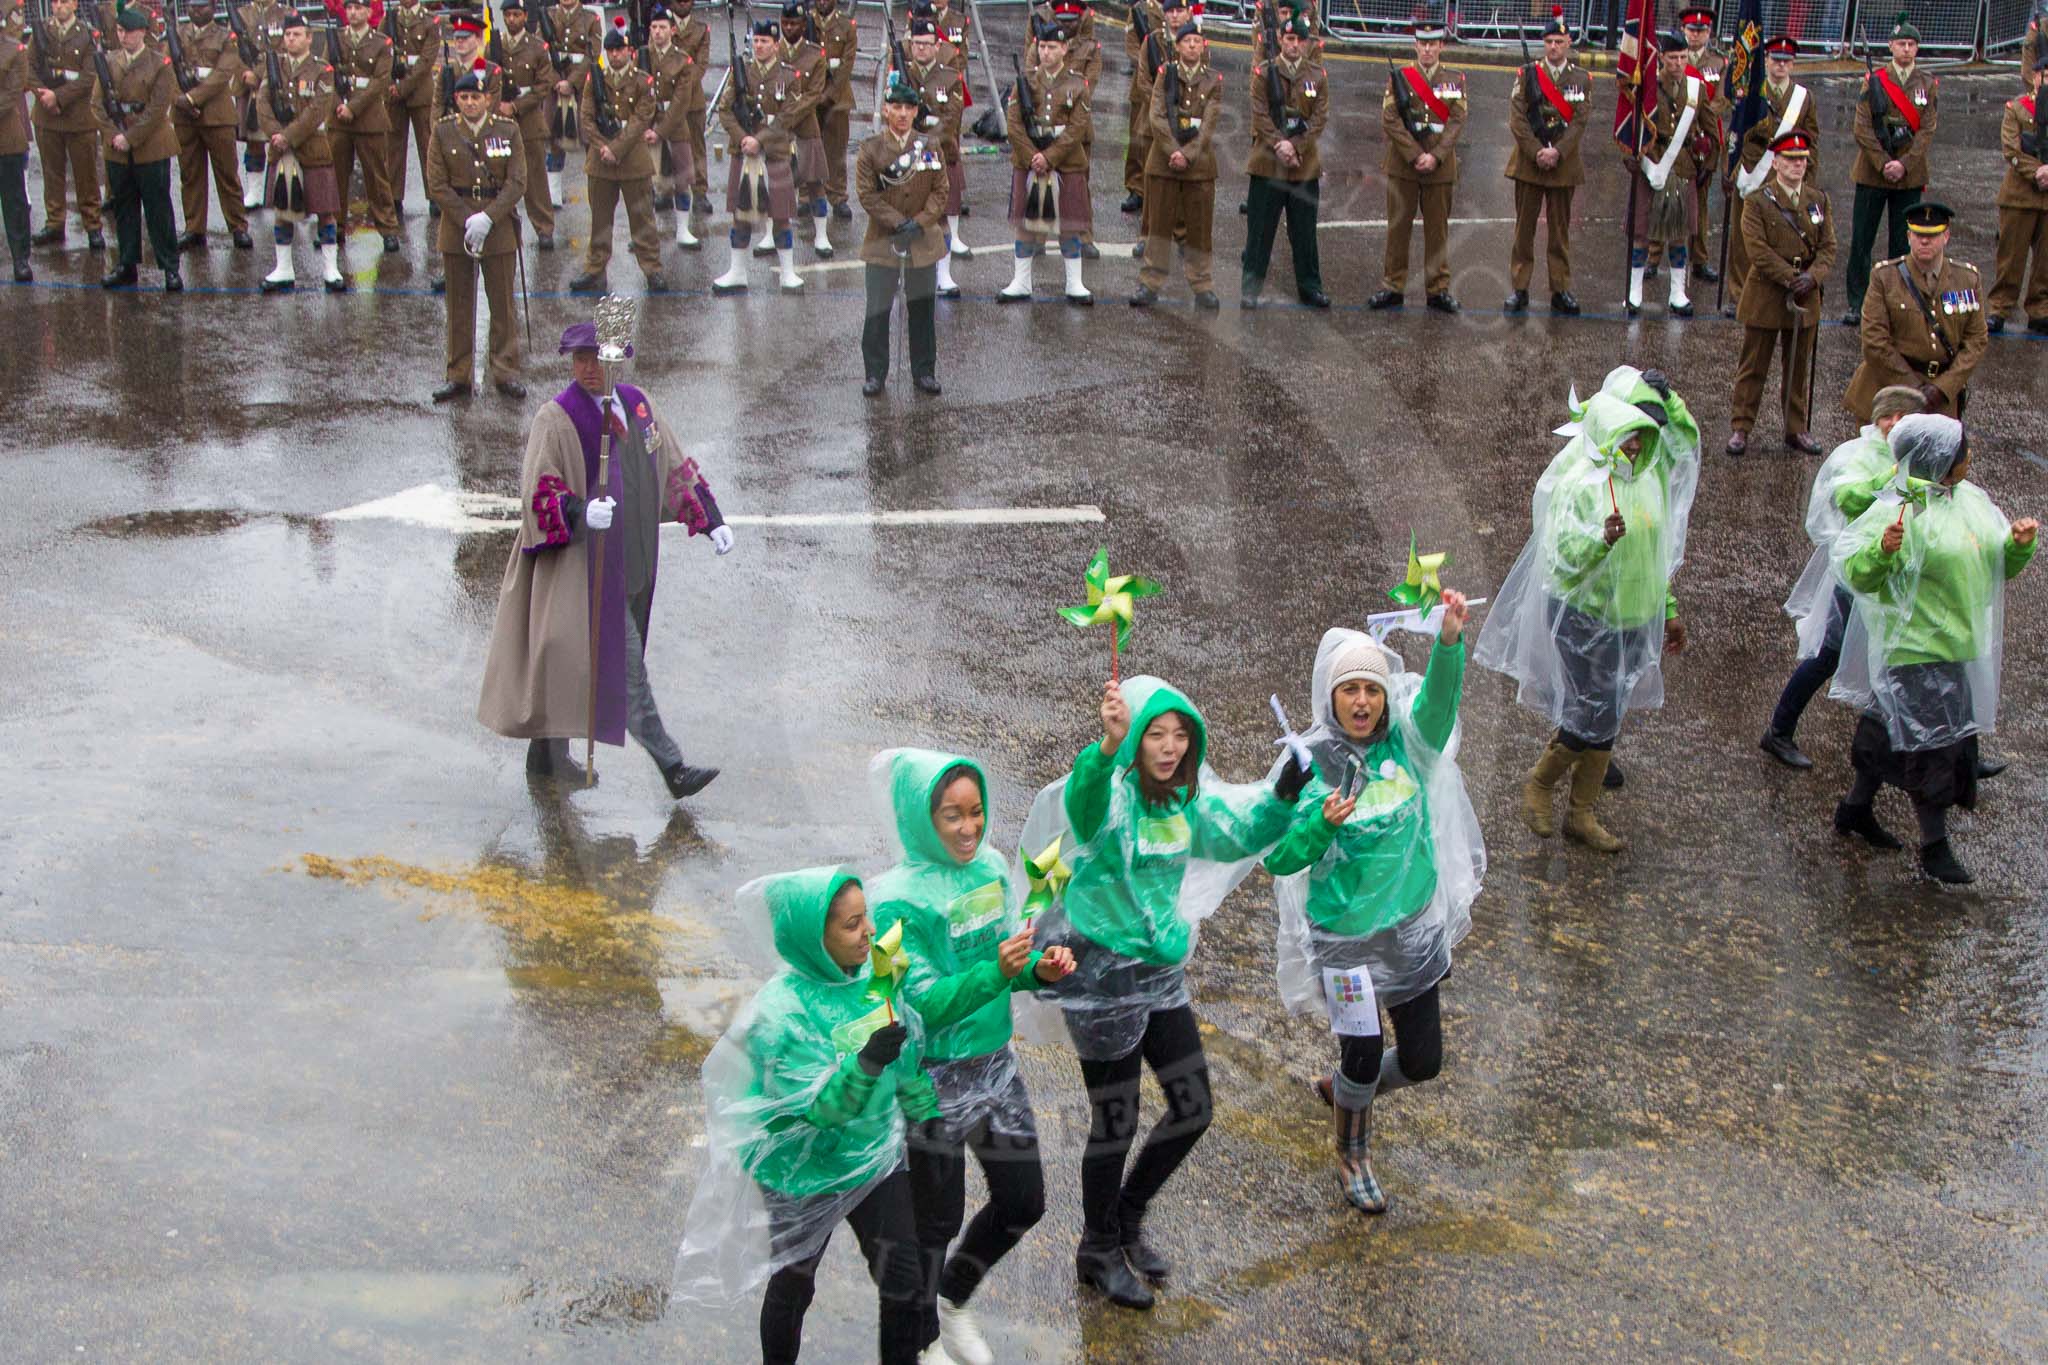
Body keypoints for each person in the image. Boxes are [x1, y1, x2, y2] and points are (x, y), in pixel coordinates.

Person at [1020, 676, 1310, 1309]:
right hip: (1099, 974)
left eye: (1182, 735)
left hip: (1157, 972)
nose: (1171, 746)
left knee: (1192, 1105)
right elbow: (1083, 798)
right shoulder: (1112, 801)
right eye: (1157, 734)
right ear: (1136, 739)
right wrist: (1106, 747)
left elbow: (1237, 831)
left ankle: (1127, 1217)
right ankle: (1096, 1250)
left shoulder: (1185, 801)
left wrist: (1284, 794)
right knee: (1115, 1120)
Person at [671, 867, 1036, 1365]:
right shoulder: (780, 1016)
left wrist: (927, 1117)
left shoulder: (877, 979)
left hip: (872, 1163)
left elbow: (908, 1059)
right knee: (794, 1286)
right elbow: (818, 1109)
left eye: (866, 918)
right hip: (803, 1172)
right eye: (850, 925)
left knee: (906, 1287)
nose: (868, 931)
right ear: (813, 940)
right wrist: (866, 1063)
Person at [1267, 605, 1482, 1215]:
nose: (1361, 701)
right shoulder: (1307, 764)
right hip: (1345, 941)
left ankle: (1346, 1093)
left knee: (1423, 1061)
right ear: (1330, 699)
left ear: (1385, 698)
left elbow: (1439, 706)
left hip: (1410, 930)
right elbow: (1278, 856)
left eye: (1370, 689)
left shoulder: (1409, 744)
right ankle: (1353, 1152)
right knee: (1361, 1049)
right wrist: (1315, 823)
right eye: (1348, 690)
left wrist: (1448, 643)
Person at [864, 750, 1077, 1365]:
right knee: (933, 1228)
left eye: (976, 812)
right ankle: (920, 1343)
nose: (968, 828)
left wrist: (1038, 967)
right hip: (930, 1082)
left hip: (995, 1067)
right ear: (918, 819)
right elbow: (923, 1001)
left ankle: (953, 1301)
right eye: (950, 816)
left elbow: (1009, 955)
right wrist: (997, 971)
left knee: (1023, 1200)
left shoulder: (987, 868)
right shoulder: (896, 900)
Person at [477, 320, 732, 796]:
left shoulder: (639, 407)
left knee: (575, 666)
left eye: (597, 359)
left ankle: (544, 760)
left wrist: (711, 518)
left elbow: (674, 465)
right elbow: (538, 489)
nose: (588, 369)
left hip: (633, 563)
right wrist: (576, 511)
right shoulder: (556, 418)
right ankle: (672, 768)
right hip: (583, 572)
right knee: (624, 668)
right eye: (579, 359)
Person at [1474, 368, 1701, 851]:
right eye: (1628, 436)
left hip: (1635, 617)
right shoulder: (1580, 483)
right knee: (1590, 713)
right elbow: (1560, 558)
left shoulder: (1650, 479)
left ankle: (1581, 814)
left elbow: (1655, 553)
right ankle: (1541, 782)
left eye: (1642, 437)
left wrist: (1669, 608)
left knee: (1609, 713)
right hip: (1584, 617)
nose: (1636, 447)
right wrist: (1600, 540)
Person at [1828, 414, 2038, 883]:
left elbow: (1993, 567)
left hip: (1955, 645)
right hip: (1916, 648)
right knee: (1933, 749)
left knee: (1893, 731)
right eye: (1963, 450)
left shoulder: (1972, 501)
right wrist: (1882, 550)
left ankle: (1855, 808)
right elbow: (1858, 575)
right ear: (1942, 458)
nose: (1969, 457)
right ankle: (1933, 846)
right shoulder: (1900, 507)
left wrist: (2018, 545)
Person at [1760, 385, 1926, 769]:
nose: (1894, 423)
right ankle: (1779, 731)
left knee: (1918, 657)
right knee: (1829, 655)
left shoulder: (1921, 457)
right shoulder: (1856, 455)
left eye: (1904, 417)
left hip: (1901, 573)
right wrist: (1890, 478)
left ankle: (1953, 750)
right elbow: (1846, 500)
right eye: (1888, 415)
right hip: (1858, 572)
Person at [1726, 131, 1834, 456]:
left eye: (1801, 160)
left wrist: (1813, 277)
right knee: (1753, 365)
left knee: (1797, 368)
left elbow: (1828, 248)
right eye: (1790, 159)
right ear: (1776, 163)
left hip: (1805, 295)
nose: (1797, 165)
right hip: (1767, 293)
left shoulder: (1818, 200)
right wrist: (1791, 277)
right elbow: (1757, 250)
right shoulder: (1758, 201)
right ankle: (1741, 428)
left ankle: (1795, 428)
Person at [427, 63, 525, 402]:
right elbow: (437, 184)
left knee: (502, 305)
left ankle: (505, 371)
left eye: (476, 97)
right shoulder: (443, 132)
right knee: (458, 306)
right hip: (457, 229)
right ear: (456, 99)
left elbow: (517, 182)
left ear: (487, 99)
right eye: (464, 97)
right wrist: (468, 219)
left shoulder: (508, 130)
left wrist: (489, 218)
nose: (470, 103)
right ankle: (459, 374)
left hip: (497, 228)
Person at [1842, 201, 1987, 423]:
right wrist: (1915, 390)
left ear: (1946, 236)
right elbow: (1874, 341)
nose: (1924, 240)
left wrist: (1943, 388)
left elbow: (1976, 341)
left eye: (1932, 235)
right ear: (1909, 236)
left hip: (1940, 399)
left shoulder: (1967, 279)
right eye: (1918, 234)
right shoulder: (1885, 277)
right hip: (1889, 391)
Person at [1844, 13, 1937, 326]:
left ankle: (1900, 301)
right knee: (1862, 241)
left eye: (1912, 44)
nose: (1907, 49)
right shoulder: (1874, 81)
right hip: (1873, 172)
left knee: (1903, 243)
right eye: (1901, 43)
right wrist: (1884, 163)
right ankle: (1858, 302)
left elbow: (1926, 131)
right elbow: (1861, 127)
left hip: (1909, 174)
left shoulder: (1927, 84)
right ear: (1891, 46)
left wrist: (1904, 164)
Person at [857, 77, 945, 398]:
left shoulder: (929, 146)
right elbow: (867, 195)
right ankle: (875, 373)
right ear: (886, 109)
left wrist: (918, 223)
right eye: (897, 107)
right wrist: (897, 223)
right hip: (883, 239)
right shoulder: (871, 150)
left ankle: (924, 371)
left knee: (922, 309)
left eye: (909, 108)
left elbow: (940, 190)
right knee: (878, 310)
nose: (903, 114)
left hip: (922, 239)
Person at [712, 17, 813, 295]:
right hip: (744, 152)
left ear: (775, 44)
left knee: (781, 215)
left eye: (764, 42)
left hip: (774, 154)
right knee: (740, 215)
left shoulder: (789, 77)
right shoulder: (740, 71)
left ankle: (788, 273)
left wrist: (760, 140)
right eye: (756, 41)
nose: (759, 46)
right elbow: (724, 109)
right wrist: (742, 137)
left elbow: (788, 116)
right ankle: (737, 272)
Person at [1370, 15, 1462, 313]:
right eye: (1422, 44)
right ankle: (1393, 286)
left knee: (1438, 231)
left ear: (1441, 46)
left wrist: (1434, 155)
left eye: (1432, 44)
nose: (1427, 50)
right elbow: (1390, 119)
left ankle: (1437, 289)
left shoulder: (1455, 79)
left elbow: (1457, 121)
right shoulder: (1400, 78)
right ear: (1415, 45)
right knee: (1398, 229)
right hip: (1403, 165)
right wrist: (1414, 154)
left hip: (1440, 166)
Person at [569, 23, 668, 295]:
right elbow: (586, 117)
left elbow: (640, 119)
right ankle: (594, 268)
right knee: (600, 220)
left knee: (642, 219)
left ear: (630, 51)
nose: (614, 55)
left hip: (632, 159)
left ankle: (652, 268)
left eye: (619, 50)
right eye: (611, 50)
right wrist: (603, 147)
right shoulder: (595, 78)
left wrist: (617, 148)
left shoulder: (642, 81)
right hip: (601, 160)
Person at [1502, 6, 1589, 315]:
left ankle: (1560, 288)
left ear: (1568, 44)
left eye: (1560, 42)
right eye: (1550, 41)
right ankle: (1520, 287)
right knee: (1524, 232)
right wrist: (1537, 151)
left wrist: (1558, 152)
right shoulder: (1527, 74)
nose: (1554, 47)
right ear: (1544, 43)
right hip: (1530, 163)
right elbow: (1517, 118)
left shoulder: (1581, 78)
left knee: (1559, 232)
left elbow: (1579, 122)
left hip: (1563, 165)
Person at [998, 17, 1091, 305]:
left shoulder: (1077, 85)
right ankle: (1021, 281)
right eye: (1042, 47)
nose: (1046, 53)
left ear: (1064, 49)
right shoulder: (1025, 82)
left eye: (1052, 47)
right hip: (1029, 161)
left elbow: (1077, 128)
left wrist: (1049, 157)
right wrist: (1032, 157)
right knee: (1025, 225)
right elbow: (1013, 125)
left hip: (1066, 161)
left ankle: (1074, 282)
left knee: (1070, 224)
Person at [1723, 34, 1817, 313]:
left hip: (1787, 175)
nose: (1781, 66)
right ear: (1766, 60)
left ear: (1793, 65)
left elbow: (1812, 139)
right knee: (1743, 238)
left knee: (1781, 239)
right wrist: (1729, 171)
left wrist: (1809, 181)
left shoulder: (1803, 97)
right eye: (1776, 60)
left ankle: (1775, 291)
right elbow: (1735, 134)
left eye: (1787, 62)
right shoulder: (1751, 91)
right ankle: (1738, 294)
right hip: (1752, 169)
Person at [1241, 12, 1328, 310]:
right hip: (1268, 162)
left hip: (1304, 165)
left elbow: (1318, 119)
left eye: (1299, 40)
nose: (1293, 45)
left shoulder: (1317, 76)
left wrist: (1295, 145)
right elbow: (1259, 113)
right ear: (1279, 39)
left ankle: (1310, 287)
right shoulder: (1264, 73)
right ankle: (1250, 288)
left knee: (1304, 232)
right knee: (1260, 231)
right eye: (1289, 38)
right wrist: (1280, 144)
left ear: (1306, 43)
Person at [1130, 19, 1219, 310]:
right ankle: (1150, 283)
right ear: (1178, 46)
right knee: (1159, 226)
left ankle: (1202, 284)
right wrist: (1173, 151)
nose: (1193, 45)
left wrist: (1188, 154)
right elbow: (1156, 116)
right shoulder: (1164, 74)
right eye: (1187, 41)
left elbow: (1208, 125)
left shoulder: (1214, 81)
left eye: (1197, 41)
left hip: (1199, 165)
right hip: (1164, 161)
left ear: (1203, 46)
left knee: (1199, 230)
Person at [255, 12, 345, 294]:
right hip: (282, 149)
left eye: (297, 34)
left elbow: (319, 108)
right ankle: (284, 269)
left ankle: (331, 269)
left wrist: (288, 136)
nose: (291, 39)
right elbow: (262, 104)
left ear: (309, 38)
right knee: (283, 210)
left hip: (312, 149)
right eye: (288, 35)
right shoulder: (275, 67)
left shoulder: (322, 70)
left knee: (325, 210)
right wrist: (275, 135)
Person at [93, 7, 180, 291]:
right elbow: (96, 105)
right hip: (117, 146)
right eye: (119, 31)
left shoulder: (159, 63)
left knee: (158, 208)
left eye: (128, 32)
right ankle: (127, 264)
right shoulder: (108, 62)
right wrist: (113, 135)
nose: (123, 37)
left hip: (150, 145)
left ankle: (170, 267)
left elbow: (158, 108)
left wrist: (130, 137)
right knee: (124, 208)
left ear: (142, 32)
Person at [1626, 38, 1706, 318]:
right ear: (1661, 57)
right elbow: (1632, 124)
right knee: (1641, 232)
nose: (1679, 64)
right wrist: (1632, 156)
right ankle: (1634, 291)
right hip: (1653, 161)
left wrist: (1708, 160)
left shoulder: (1697, 88)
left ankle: (1677, 292)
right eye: (1673, 58)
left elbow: (1707, 127)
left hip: (1682, 166)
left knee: (1679, 234)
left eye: (1683, 57)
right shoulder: (1647, 87)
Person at [167, 0, 251, 252]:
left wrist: (192, 98)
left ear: (213, 8)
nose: (196, 10)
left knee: (227, 174)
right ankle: (194, 228)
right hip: (184, 117)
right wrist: (179, 101)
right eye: (192, 6)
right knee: (190, 174)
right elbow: (166, 72)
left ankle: (238, 227)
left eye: (202, 6)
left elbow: (222, 73)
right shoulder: (177, 35)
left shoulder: (227, 36)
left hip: (216, 116)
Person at [27, 0, 106, 251]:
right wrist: (44, 97)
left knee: (86, 174)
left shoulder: (87, 35)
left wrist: (58, 97)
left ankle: (92, 225)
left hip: (78, 117)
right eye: (55, 2)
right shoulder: (41, 32)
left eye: (64, 1)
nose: (58, 6)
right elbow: (28, 69)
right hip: (47, 116)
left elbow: (89, 76)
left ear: (74, 5)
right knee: (52, 172)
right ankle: (54, 222)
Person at [901, 19, 966, 297]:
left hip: (940, 155)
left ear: (937, 46)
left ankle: (944, 274)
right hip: (908, 157)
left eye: (927, 44)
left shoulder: (950, 78)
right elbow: (894, 114)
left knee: (939, 219)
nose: (921, 49)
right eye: (917, 44)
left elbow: (951, 118)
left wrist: (927, 140)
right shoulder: (901, 75)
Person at [327, 0, 397, 253]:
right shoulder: (335, 39)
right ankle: (334, 225)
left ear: (369, 12)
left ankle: (387, 228)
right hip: (338, 119)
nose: (353, 13)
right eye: (349, 8)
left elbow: (380, 81)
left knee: (377, 176)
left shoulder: (381, 43)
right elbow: (326, 75)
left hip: (369, 118)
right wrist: (337, 105)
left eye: (359, 8)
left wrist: (352, 108)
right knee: (336, 175)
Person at [1988, 49, 2048, 335]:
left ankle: (2040, 310)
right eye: (2045, 76)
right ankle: (1999, 307)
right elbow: (2010, 148)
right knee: (2011, 257)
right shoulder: (2017, 108)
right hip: (2019, 195)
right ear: (2035, 77)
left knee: (2046, 262)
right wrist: (2038, 170)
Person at [1663, 4, 1724, 288]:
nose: (1696, 35)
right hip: (1675, 138)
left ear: (1709, 32)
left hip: (1704, 140)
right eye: (1691, 30)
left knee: (1698, 204)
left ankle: (1699, 259)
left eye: (1701, 31)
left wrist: (1699, 114)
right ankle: (1652, 258)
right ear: (1684, 30)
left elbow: (1723, 100)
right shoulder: (1674, 59)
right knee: (1662, 200)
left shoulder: (1719, 64)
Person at [492, 0, 557, 250]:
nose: (511, 19)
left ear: (524, 16)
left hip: (528, 121)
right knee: (499, 175)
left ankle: (544, 227)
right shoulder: (495, 46)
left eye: (516, 14)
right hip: (501, 121)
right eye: (507, 15)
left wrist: (516, 106)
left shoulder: (538, 47)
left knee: (535, 179)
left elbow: (543, 86)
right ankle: (500, 225)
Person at [776, 0, 832, 259]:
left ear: (803, 25)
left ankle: (821, 235)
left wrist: (791, 114)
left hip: (806, 126)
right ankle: (770, 234)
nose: (789, 28)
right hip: (778, 127)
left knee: (815, 181)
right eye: (785, 23)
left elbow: (814, 94)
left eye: (794, 23)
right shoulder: (773, 51)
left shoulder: (815, 55)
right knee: (775, 182)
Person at [643, 6, 699, 250]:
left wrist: (661, 131)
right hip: (648, 123)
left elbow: (681, 101)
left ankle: (683, 229)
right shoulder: (642, 56)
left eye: (662, 27)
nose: (657, 32)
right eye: (654, 27)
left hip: (674, 125)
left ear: (672, 30)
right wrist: (645, 126)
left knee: (682, 178)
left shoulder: (682, 60)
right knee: (645, 182)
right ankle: (646, 231)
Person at [381, 0, 441, 213]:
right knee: (393, 146)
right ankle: (394, 196)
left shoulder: (430, 21)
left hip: (419, 91)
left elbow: (426, 61)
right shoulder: (389, 19)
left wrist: (403, 87)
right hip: (393, 93)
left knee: (428, 145)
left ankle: (434, 195)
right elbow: (381, 55)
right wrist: (390, 85)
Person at [541, 0, 602, 205]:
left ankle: (595, 188)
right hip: (555, 82)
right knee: (554, 135)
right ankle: (554, 192)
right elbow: (541, 54)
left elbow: (591, 55)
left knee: (588, 135)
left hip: (582, 83)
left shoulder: (590, 19)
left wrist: (572, 82)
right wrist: (557, 81)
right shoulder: (548, 16)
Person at [665, 0, 711, 233]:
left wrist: (682, 84)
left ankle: (700, 191)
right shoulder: (662, 24)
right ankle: (664, 190)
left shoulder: (701, 30)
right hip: (667, 96)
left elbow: (701, 65)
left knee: (696, 146)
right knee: (664, 146)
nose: (682, 4)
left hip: (692, 98)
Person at [1119, 0, 1166, 217]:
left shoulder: (1179, 10)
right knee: (1138, 140)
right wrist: (1150, 68)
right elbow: (1131, 46)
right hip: (1143, 85)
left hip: (1172, 85)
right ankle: (1136, 189)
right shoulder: (1140, 9)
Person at [812, 0, 855, 221]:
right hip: (810, 96)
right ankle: (805, 196)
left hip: (837, 97)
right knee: (807, 148)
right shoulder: (806, 21)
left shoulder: (846, 26)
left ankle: (837, 197)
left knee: (836, 150)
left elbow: (846, 65)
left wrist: (827, 94)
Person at [0, 19, 28, 280]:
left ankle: (20, 257)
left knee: (14, 201)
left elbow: (12, 92)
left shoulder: (14, 50)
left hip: (5, 137)